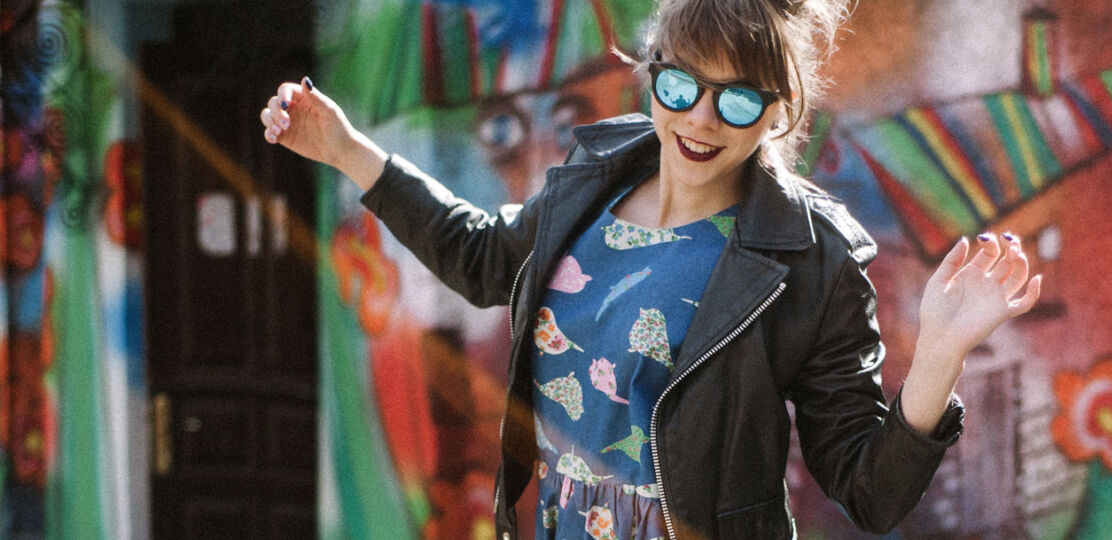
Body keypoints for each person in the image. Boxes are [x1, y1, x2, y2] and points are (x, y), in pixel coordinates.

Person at [259, 0, 1042, 538]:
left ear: (779, 110)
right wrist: (346, 151)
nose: (700, 118)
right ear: (653, 71)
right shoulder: (588, 182)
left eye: (737, 100)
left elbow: (869, 493)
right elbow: (482, 258)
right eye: (681, 85)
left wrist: (941, 352)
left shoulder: (809, 258)